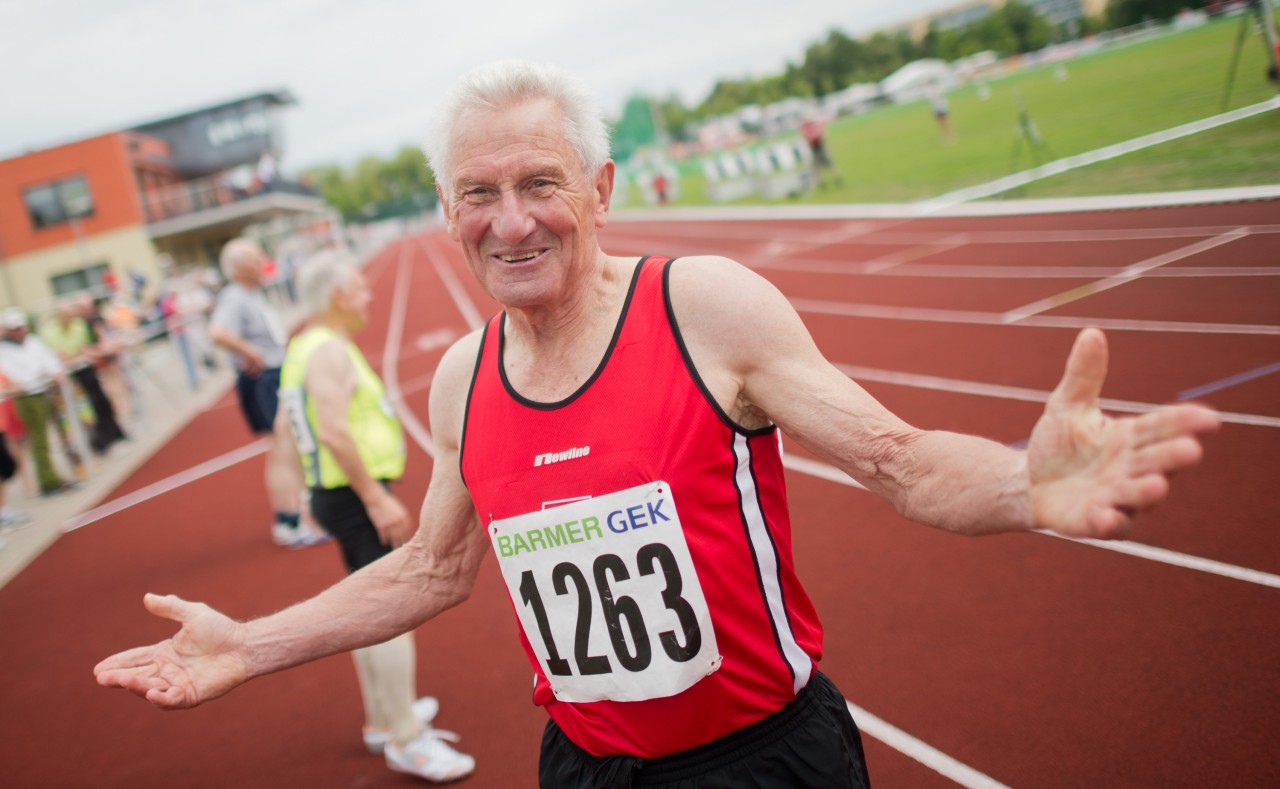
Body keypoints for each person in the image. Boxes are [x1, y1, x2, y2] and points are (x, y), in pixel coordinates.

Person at [95, 61, 1220, 788]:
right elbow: (431, 571)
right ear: (447, 214)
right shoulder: (458, 381)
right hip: (581, 768)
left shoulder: (703, 306)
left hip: (764, 762)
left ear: (600, 187)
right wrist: (252, 642)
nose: (511, 219)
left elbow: (898, 461)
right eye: (478, 195)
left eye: (540, 182)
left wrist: (1029, 485)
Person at [276, 249, 474, 782]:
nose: (368, 296)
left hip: (334, 492)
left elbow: (289, 432)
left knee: (363, 607)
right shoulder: (329, 353)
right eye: (360, 289)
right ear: (339, 297)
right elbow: (334, 430)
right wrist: (375, 497)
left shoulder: (304, 347)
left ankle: (384, 721)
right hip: (352, 495)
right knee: (388, 611)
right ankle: (407, 738)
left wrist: (309, 493)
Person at [208, 238, 325, 549]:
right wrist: (251, 353)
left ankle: (295, 518)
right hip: (264, 378)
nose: (263, 260)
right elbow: (217, 333)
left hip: (272, 375)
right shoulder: (235, 297)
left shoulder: (250, 293)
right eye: (256, 256)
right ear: (240, 267)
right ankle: (291, 521)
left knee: (284, 448)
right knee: (282, 448)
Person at [39, 293, 129, 454]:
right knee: (83, 412)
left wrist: (81, 355)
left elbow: (85, 348)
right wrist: (79, 355)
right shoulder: (50, 332)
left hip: (86, 370)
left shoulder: (78, 325)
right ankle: (97, 444)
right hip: (68, 377)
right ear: (59, 315)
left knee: (101, 401)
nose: (70, 318)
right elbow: (62, 357)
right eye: (67, 315)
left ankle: (114, 435)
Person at [0, 306, 75, 496]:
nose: (19, 331)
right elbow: (13, 375)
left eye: (20, 327)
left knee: (50, 437)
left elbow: (48, 360)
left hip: (43, 392)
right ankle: (47, 480)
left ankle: (54, 474)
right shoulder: (4, 350)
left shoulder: (33, 342)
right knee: (38, 440)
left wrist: (54, 372)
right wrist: (32, 378)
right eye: (14, 328)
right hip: (25, 398)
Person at [800, 112, 842, 188]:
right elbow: (806, 136)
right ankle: (820, 181)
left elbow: (822, 133)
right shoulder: (805, 127)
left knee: (828, 162)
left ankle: (836, 178)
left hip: (820, 145)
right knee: (816, 165)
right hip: (813, 147)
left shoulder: (815, 124)